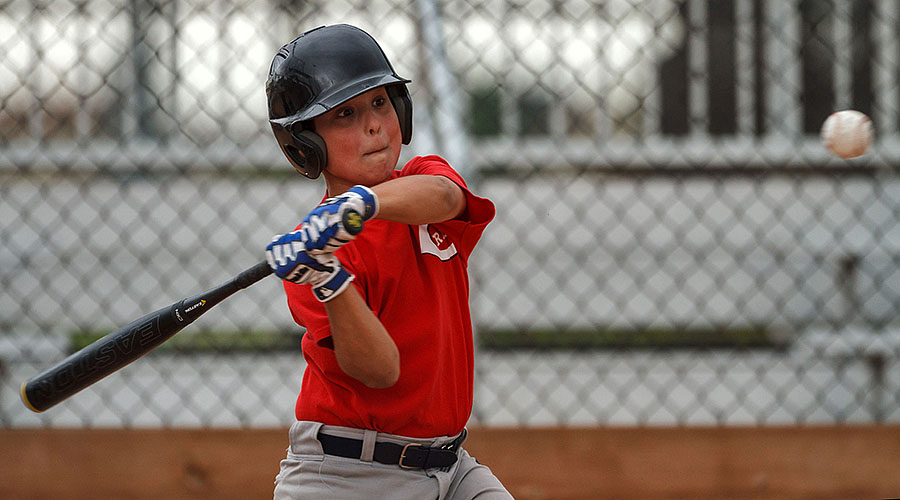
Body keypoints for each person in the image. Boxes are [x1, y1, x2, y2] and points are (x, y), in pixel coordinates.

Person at [264, 24, 513, 500]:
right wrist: (328, 280)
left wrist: (359, 206)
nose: (374, 124)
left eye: (380, 102)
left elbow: (444, 196)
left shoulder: (422, 179)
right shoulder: (313, 256)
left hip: (452, 466)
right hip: (348, 475)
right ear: (304, 143)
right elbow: (380, 371)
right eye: (344, 115)